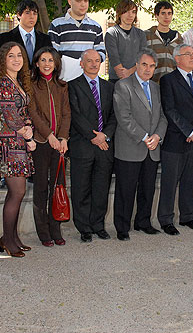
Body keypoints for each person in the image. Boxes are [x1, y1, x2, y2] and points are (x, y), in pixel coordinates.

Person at [112, 49, 167, 241]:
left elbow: (162, 116)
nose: (148, 69)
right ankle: (122, 227)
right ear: (137, 64)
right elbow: (124, 117)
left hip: (152, 148)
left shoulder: (156, 88)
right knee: (125, 190)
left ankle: (143, 222)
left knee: (147, 188)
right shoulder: (123, 86)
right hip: (131, 147)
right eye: (145, 64)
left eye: (152, 66)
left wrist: (158, 136)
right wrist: (145, 137)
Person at [158, 44, 193, 235]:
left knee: (192, 181)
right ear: (177, 59)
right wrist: (189, 131)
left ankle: (188, 216)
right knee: (170, 182)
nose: (192, 57)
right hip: (175, 140)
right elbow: (169, 109)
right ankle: (165, 220)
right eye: (187, 54)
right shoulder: (167, 81)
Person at [0, 43, 36, 257]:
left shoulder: (17, 82)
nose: (17, 59)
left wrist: (28, 134)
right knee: (17, 192)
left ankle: (12, 236)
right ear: (3, 60)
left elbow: (24, 111)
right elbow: (9, 113)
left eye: (19, 55)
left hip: (19, 142)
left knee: (18, 192)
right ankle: (8, 240)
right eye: (11, 56)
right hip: (8, 144)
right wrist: (26, 133)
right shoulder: (2, 83)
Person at [67, 49, 116, 243]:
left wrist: (105, 136)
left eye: (97, 61)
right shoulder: (72, 86)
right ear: (82, 63)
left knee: (101, 188)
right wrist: (93, 136)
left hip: (104, 146)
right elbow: (75, 115)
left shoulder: (108, 87)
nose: (94, 64)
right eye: (89, 61)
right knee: (81, 189)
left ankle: (98, 225)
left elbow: (114, 115)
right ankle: (84, 227)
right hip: (83, 145)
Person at [28, 47, 71, 247]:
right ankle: (43, 232)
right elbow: (34, 113)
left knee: (58, 187)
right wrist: (50, 136)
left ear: (56, 64)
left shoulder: (62, 86)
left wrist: (62, 138)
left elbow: (66, 113)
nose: (47, 64)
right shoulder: (31, 85)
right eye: (43, 60)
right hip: (41, 142)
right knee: (41, 188)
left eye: (51, 60)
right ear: (36, 63)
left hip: (59, 144)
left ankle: (56, 228)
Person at [48, 0, 106, 82]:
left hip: (88, 80)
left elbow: (101, 52)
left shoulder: (96, 27)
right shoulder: (56, 25)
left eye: (86, 1)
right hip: (64, 80)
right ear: (70, 1)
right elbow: (52, 53)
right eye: (79, 1)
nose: (83, 4)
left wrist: (89, 62)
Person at [0, 0, 52, 68]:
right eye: (27, 13)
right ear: (19, 15)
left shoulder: (45, 39)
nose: (32, 17)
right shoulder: (5, 38)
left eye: (35, 13)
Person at [105, 0, 147, 83]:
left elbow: (143, 58)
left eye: (133, 12)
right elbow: (114, 58)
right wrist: (123, 74)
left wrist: (129, 72)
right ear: (119, 13)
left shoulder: (140, 34)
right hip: (116, 80)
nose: (130, 15)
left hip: (136, 80)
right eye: (126, 11)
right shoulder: (112, 33)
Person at [145, 1, 183, 82]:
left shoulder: (178, 38)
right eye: (163, 13)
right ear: (156, 15)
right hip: (152, 83)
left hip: (173, 84)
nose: (166, 17)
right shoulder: (147, 35)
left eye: (169, 13)